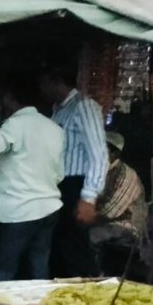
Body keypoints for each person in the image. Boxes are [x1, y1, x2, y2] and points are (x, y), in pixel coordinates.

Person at [0, 83, 65, 282]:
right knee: (38, 272)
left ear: (10, 99)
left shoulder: (15, 125)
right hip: (49, 209)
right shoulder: (54, 129)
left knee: (1, 271)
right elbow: (59, 175)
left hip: (20, 211)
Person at [39, 67, 109, 277]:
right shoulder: (58, 110)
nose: (41, 89)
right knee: (60, 249)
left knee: (74, 250)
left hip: (75, 185)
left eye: (43, 82)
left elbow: (98, 153)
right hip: (59, 186)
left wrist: (88, 197)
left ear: (55, 80)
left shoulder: (83, 107)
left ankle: (87, 290)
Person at [91, 131, 147, 272]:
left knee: (90, 237)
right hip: (104, 221)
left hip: (127, 227)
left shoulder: (126, 176)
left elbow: (109, 214)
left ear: (114, 154)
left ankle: (95, 276)